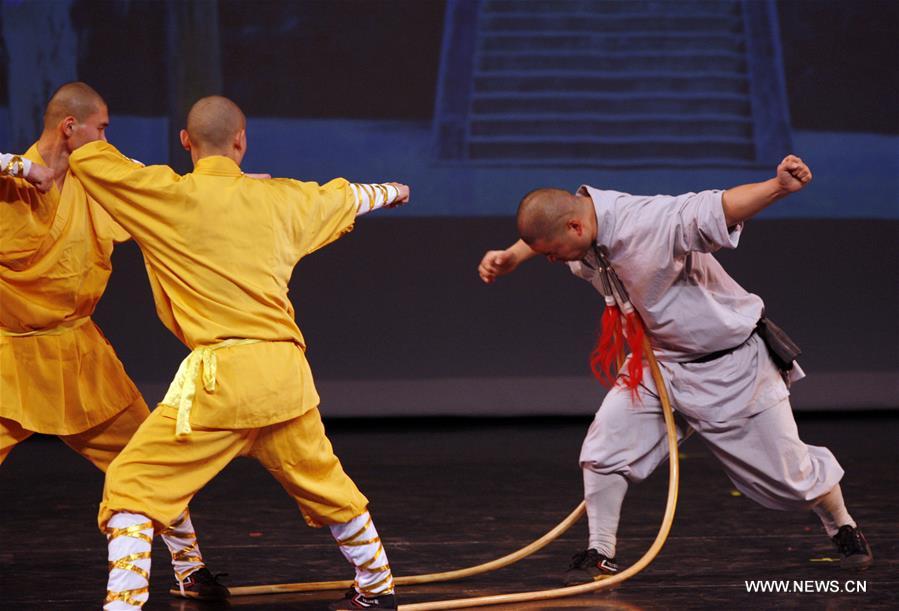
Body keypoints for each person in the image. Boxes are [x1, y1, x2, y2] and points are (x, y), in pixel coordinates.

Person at [68, 95, 410, 611]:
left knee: (133, 484)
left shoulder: (164, 194)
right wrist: (394, 191)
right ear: (242, 142)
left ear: (185, 142)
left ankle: (124, 604)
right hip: (283, 377)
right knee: (324, 480)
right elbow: (348, 196)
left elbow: (90, 156)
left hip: (221, 381)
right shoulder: (282, 200)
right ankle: (377, 586)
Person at [477, 155, 873, 584]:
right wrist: (514, 255)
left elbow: (717, 207)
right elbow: (551, 219)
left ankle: (843, 526)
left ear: (576, 229)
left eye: (552, 254)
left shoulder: (650, 222)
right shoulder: (580, 220)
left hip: (730, 366)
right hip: (658, 363)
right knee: (604, 450)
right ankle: (599, 550)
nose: (553, 262)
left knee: (791, 477)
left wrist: (777, 187)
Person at [0, 82, 227, 601]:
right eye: (100, 128)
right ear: (69, 127)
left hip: (78, 357)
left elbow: (165, 192)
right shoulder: (13, 181)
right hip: (10, 359)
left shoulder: (97, 178)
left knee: (146, 459)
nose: (107, 138)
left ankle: (190, 567)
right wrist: (20, 167)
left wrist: (233, 190)